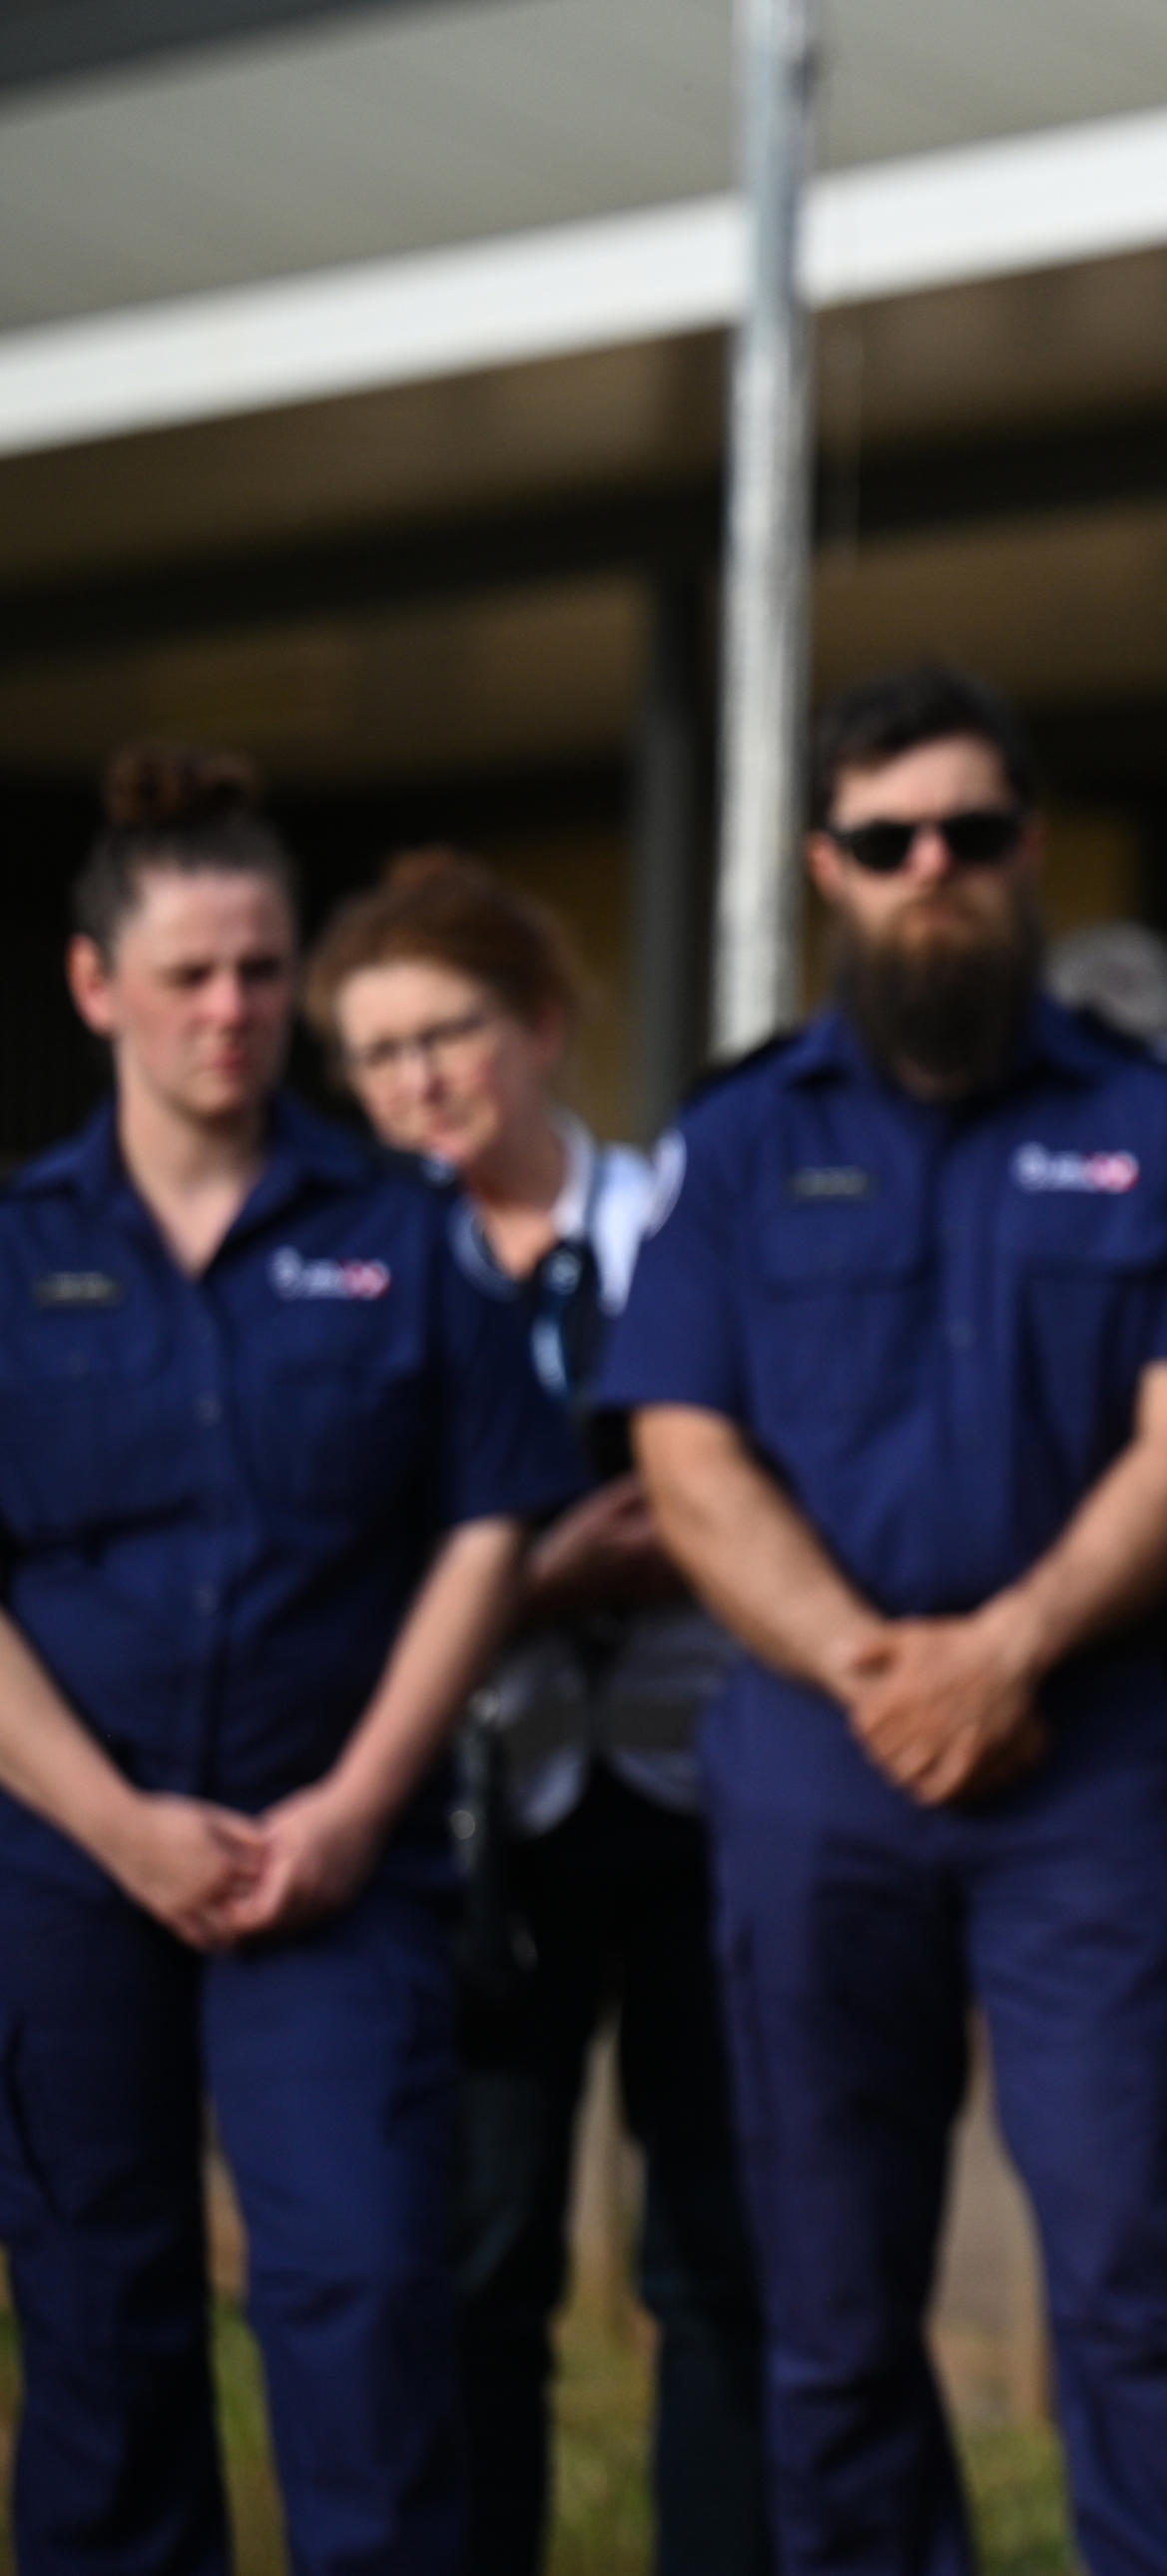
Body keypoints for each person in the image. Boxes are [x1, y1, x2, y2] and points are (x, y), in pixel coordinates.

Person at [602, 664, 1167, 2576]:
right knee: (827, 2303)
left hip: (1090, 1764)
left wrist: (1009, 1647)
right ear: (830, 866)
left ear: (1030, 856)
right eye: (893, 839)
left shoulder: (1155, 1127)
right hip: (816, 1772)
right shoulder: (739, 1142)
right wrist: (865, 1663)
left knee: (1142, 2270)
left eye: (973, 836)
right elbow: (686, 1454)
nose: (936, 870)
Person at [0, 748, 580, 2576]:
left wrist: (349, 1808)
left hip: (340, 1872)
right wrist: (115, 1826)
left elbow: (493, 1521)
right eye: (188, 974)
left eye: (260, 969)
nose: (233, 1010)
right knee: (101, 2322)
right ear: (98, 987)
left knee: (369, 2300)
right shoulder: (14, 1253)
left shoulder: (401, 1234)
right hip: (66, 1871)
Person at [314, 849, 771, 2576]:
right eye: (377, 1054)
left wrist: (500, 1563)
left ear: (548, 1029)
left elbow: (744, 1485)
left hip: (699, 1787)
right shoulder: (351, 1271)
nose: (420, 1080)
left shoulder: (682, 1218)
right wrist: (587, 1547)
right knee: (476, 2257)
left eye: (454, 1033)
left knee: (718, 2260)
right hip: (468, 1812)